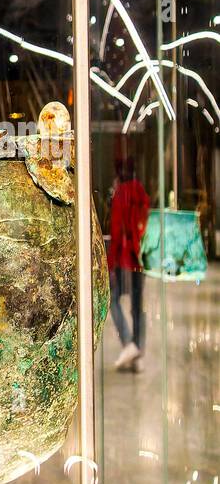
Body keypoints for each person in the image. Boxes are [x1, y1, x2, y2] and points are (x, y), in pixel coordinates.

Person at [107, 156, 150, 372]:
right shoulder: (141, 192)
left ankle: (129, 345)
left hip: (124, 259)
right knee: (137, 307)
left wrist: (110, 264)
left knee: (113, 300)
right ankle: (137, 351)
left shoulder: (121, 193)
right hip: (139, 258)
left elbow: (116, 233)